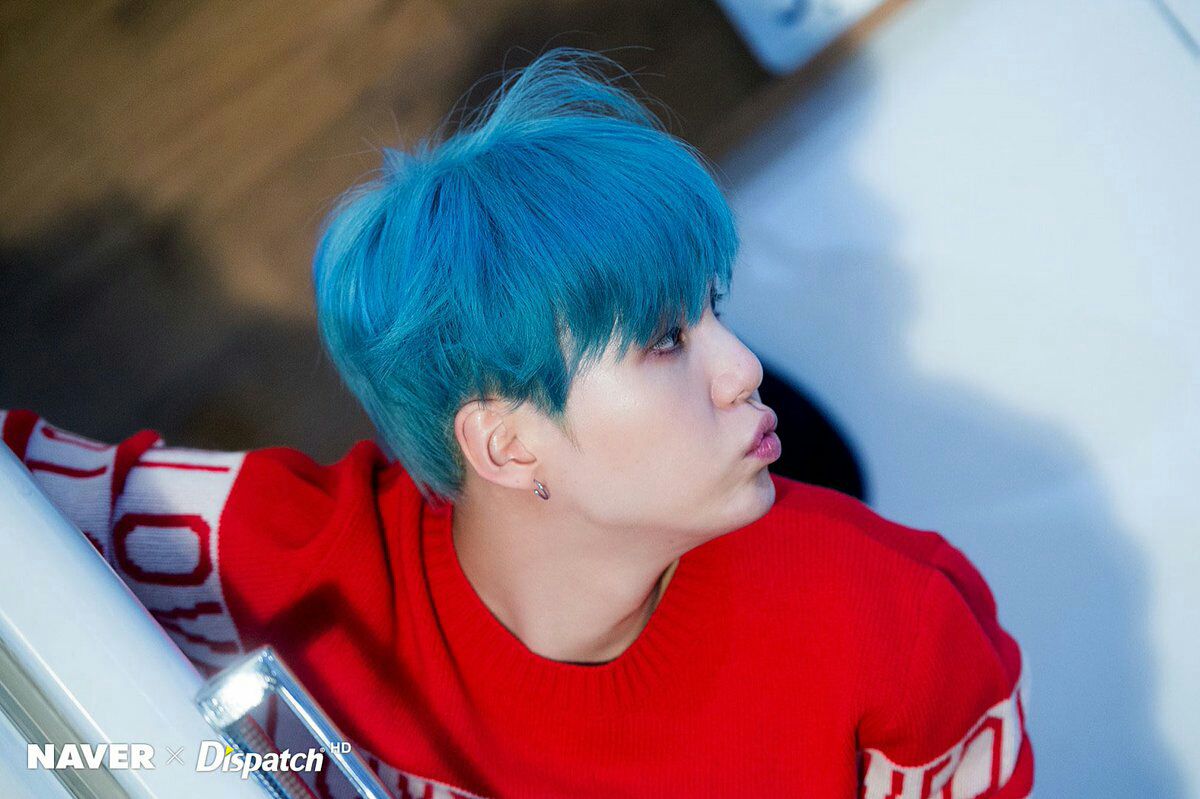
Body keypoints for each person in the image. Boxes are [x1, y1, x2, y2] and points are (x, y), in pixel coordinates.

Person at [0, 48, 1033, 798]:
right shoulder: (259, 555)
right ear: (505, 443)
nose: (743, 368)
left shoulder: (897, 623)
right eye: (665, 341)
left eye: (714, 311)